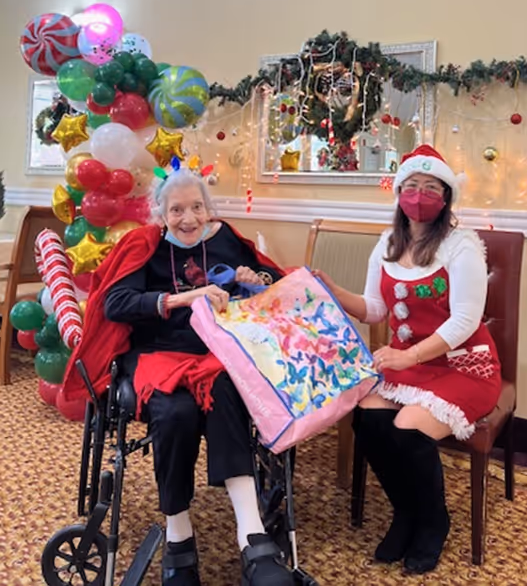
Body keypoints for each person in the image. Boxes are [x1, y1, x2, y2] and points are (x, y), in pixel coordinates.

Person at [62, 169, 295, 586]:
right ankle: (178, 536)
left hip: (215, 354)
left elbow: (275, 284)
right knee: (173, 413)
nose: (188, 218)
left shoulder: (225, 239)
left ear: (208, 209)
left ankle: (251, 535)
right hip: (155, 356)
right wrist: (186, 297)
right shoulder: (144, 245)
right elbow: (116, 303)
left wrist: (255, 281)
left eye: (196, 207)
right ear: (160, 213)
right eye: (177, 210)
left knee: (225, 395)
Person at [315, 145, 501, 575]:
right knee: (368, 417)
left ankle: (434, 522)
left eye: (431, 187)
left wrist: (407, 356)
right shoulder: (387, 242)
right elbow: (375, 308)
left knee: (407, 425)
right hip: (411, 365)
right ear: (399, 192)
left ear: (446, 197)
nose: (420, 195)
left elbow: (464, 321)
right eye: (411, 187)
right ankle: (406, 512)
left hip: (464, 366)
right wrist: (333, 291)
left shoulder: (461, 246)